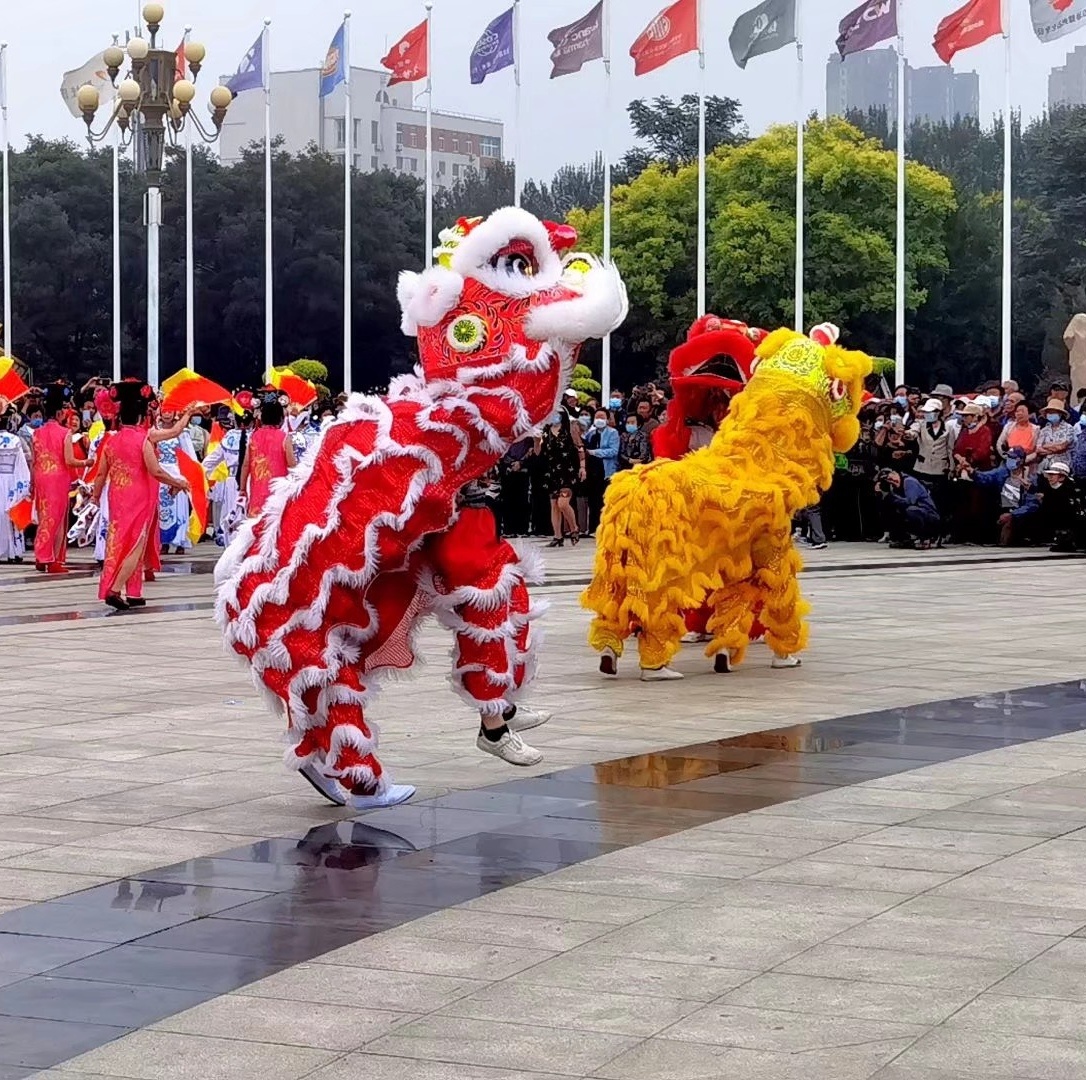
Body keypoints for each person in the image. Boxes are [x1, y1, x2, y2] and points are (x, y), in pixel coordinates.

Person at [91, 380, 190, 611]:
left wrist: (95, 497)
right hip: (139, 497)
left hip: (117, 497)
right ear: (139, 417)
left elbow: (101, 474)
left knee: (119, 542)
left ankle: (134, 592)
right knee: (136, 545)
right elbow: (156, 470)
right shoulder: (144, 438)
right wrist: (178, 482)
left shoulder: (111, 441)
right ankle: (115, 589)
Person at [31, 382, 86, 574]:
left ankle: (41, 555)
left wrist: (32, 483)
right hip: (58, 478)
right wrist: (87, 462)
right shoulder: (65, 433)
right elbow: (70, 460)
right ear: (60, 413)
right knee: (58, 519)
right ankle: (53, 559)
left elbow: (34, 461)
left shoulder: (36, 433)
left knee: (45, 517)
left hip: (41, 478)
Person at [963, 447, 1038, 547]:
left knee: (1015, 523)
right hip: (1002, 510)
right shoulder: (1003, 472)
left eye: (1012, 458)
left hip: (1020, 515)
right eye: (1008, 457)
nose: (1009, 460)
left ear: (1021, 461)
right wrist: (972, 472)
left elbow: (1032, 505)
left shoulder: (1030, 478)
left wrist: (1012, 515)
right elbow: (987, 477)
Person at [239, 392, 296, 518]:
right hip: (278, 494)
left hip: (257, 492)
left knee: (255, 525)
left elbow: (245, 465)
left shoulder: (254, 437)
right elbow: (292, 465)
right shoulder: (284, 437)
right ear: (280, 419)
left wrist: (242, 489)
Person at [907, 398, 955, 536]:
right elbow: (912, 432)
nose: (927, 415)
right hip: (922, 468)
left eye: (930, 412)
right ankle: (922, 531)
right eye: (926, 412)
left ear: (938, 412)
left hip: (940, 469)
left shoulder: (948, 428)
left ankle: (939, 532)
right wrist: (908, 434)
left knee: (939, 501)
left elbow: (950, 449)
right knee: (921, 500)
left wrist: (951, 468)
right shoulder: (920, 425)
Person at [155, 410, 198, 554]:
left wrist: (190, 476)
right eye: (164, 411)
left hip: (177, 472)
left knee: (179, 508)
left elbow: (190, 456)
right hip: (160, 473)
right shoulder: (155, 431)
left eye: (170, 411)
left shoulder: (182, 433)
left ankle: (181, 541)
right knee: (162, 509)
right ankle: (164, 542)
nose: (167, 414)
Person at [538, 410, 580, 547]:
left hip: (567, 471)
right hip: (551, 472)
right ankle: (557, 536)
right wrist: (536, 440)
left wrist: (582, 467)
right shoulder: (545, 431)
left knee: (563, 503)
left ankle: (574, 527)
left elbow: (580, 448)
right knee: (554, 505)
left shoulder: (569, 429)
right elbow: (539, 452)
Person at [876, 468, 941, 549]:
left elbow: (910, 502)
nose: (891, 481)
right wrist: (882, 494)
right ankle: (902, 538)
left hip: (929, 516)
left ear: (895, 473)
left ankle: (927, 537)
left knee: (911, 510)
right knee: (890, 508)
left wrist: (891, 496)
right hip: (918, 513)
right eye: (887, 480)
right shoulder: (894, 488)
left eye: (890, 477)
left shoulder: (909, 481)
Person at [1036, 461, 1086, 551]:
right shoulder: (1048, 489)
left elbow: (1077, 512)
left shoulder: (1072, 489)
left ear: (1062, 477)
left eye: (1053, 475)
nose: (1049, 478)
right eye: (1049, 475)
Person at [0, 423, 30, 563]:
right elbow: (21, 464)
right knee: (11, 514)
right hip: (12, 479)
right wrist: (24, 484)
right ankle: (14, 552)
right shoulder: (15, 439)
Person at [996, 401, 1039, 475]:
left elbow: (1036, 451)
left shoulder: (1036, 429)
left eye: (1022, 411)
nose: (1019, 413)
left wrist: (1022, 460)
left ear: (1029, 414)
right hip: (1008, 461)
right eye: (1017, 411)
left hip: (1028, 464)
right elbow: (999, 444)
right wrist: (1008, 458)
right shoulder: (1009, 426)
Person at [1035, 397, 1076, 472]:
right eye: (1049, 412)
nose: (1050, 414)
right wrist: (1054, 447)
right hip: (1045, 466)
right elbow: (1038, 449)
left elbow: (1062, 446)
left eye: (1053, 412)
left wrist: (1045, 445)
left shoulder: (1069, 428)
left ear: (1060, 414)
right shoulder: (1044, 430)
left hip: (1063, 466)